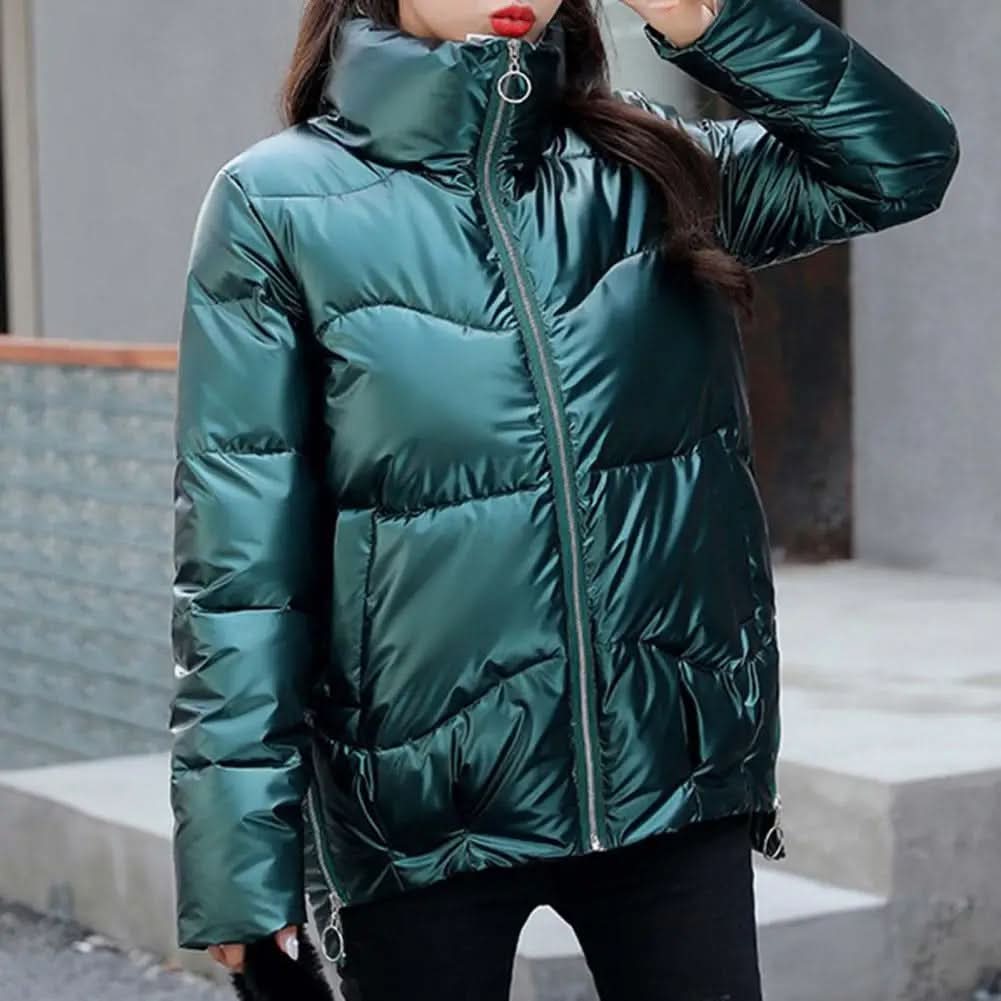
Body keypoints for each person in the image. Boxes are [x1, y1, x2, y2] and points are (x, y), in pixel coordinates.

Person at [168, 0, 959, 997]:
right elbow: (240, 562)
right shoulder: (274, 203)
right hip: (417, 805)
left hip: (667, 782)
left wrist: (707, 19)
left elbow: (901, 160)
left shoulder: (653, 165)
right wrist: (239, 854)